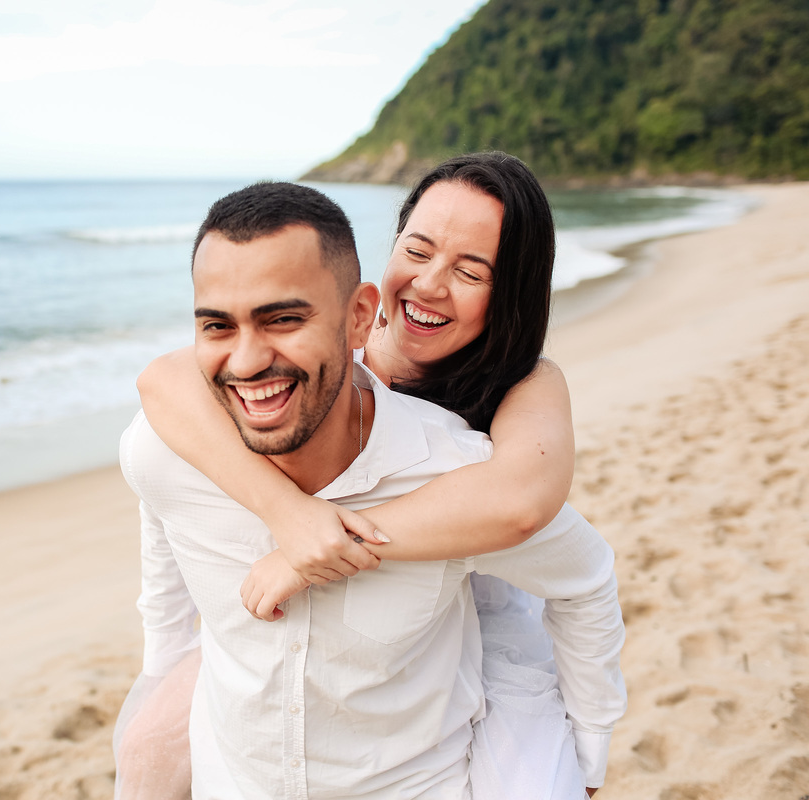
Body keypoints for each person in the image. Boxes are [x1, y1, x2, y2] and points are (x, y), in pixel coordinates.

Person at [117, 177, 625, 798]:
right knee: (147, 749)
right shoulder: (270, 378)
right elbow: (162, 392)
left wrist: (318, 551)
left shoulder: (517, 395)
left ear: (511, 294)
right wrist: (288, 513)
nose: (429, 283)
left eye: (471, 271)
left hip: (479, 605)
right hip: (284, 686)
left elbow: (522, 504)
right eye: (417, 251)